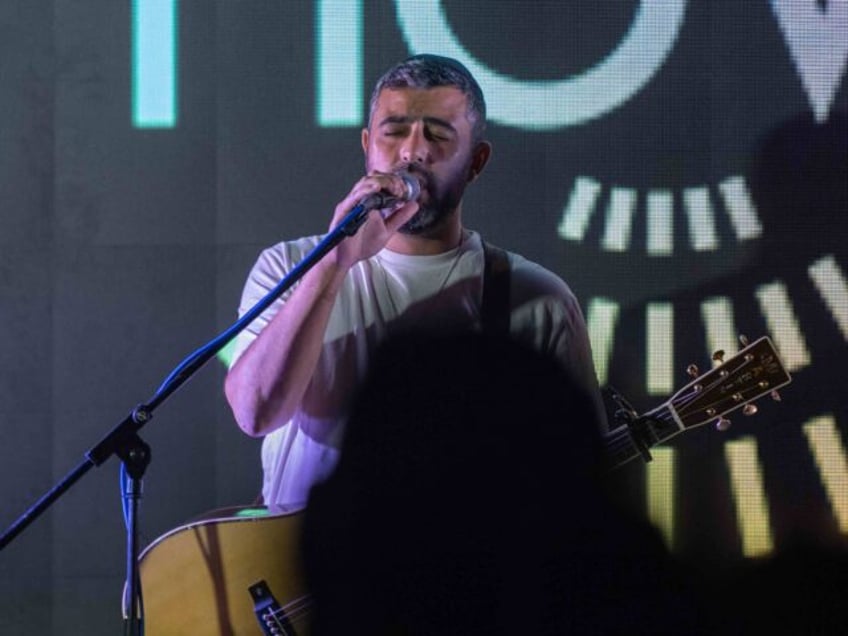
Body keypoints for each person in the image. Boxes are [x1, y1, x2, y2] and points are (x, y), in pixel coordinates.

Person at [224, 53, 607, 508]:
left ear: (476, 161)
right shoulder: (289, 265)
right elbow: (255, 412)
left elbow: (583, 486)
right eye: (395, 130)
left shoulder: (538, 298)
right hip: (296, 573)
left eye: (438, 134)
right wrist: (332, 264)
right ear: (368, 144)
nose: (412, 151)